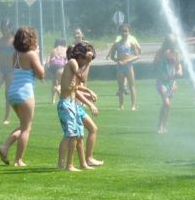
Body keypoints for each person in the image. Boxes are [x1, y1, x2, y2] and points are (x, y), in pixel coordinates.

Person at [0, 26, 45, 167]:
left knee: (23, 125)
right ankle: (19, 160)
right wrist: (38, 55)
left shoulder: (15, 54)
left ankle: (5, 147)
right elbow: (41, 74)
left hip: (13, 92)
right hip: (25, 93)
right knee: (26, 128)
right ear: (30, 40)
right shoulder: (31, 54)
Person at [56, 41, 97, 171]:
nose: (85, 62)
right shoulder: (73, 62)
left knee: (79, 135)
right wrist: (89, 63)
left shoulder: (76, 66)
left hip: (72, 104)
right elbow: (83, 78)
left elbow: (77, 86)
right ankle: (67, 164)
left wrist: (89, 94)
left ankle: (83, 163)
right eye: (84, 59)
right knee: (71, 135)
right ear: (80, 56)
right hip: (66, 104)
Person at [107, 23, 142, 111]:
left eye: (126, 31)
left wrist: (128, 60)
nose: (124, 33)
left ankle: (133, 105)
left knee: (132, 86)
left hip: (129, 66)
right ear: (120, 32)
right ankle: (121, 105)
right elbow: (112, 56)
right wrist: (117, 61)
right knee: (121, 87)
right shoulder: (117, 44)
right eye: (123, 31)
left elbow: (137, 55)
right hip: (120, 67)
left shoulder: (131, 43)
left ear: (129, 32)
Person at [154, 34, 183, 133]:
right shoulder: (160, 52)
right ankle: (160, 125)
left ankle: (164, 124)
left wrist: (179, 71)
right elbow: (155, 65)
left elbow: (178, 65)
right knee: (167, 103)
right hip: (161, 81)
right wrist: (161, 74)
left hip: (172, 82)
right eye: (170, 41)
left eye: (173, 42)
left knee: (167, 105)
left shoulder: (176, 53)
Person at [47, 38, 67, 104]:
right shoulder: (65, 49)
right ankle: (58, 88)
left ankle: (53, 100)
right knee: (62, 82)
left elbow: (48, 61)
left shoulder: (53, 50)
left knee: (54, 82)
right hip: (61, 65)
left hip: (52, 66)